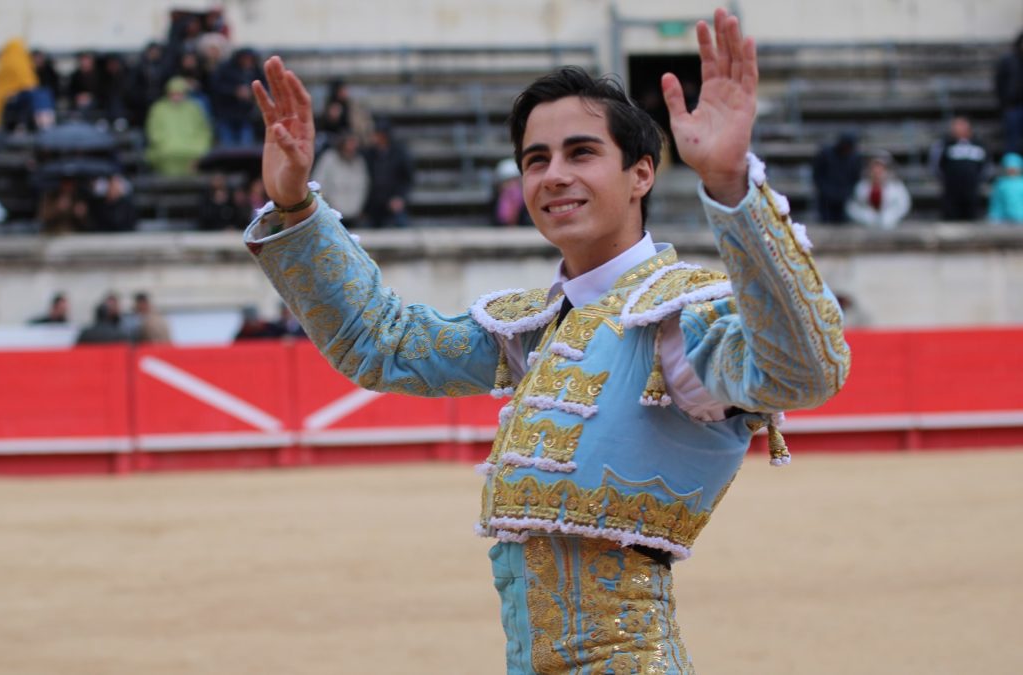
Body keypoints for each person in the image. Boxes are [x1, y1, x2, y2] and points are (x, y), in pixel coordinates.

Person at [245, 9, 849, 673]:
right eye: (536, 160)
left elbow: (806, 369)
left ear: (641, 174)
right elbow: (382, 342)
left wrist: (732, 186)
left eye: (581, 152)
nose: (553, 174)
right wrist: (298, 206)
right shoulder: (535, 326)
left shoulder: (681, 320)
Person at [144, 76, 213, 176]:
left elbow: (204, 131)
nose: (176, 97)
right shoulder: (158, 109)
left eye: (179, 93)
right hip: (166, 151)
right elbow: (153, 132)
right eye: (173, 94)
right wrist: (165, 144)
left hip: (192, 151)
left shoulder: (194, 108)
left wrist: (199, 148)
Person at [929, 116, 989, 221]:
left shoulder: (980, 145)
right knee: (951, 220)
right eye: (956, 126)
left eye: (962, 126)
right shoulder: (944, 144)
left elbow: (986, 165)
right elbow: (936, 165)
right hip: (951, 190)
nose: (959, 129)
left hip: (972, 189)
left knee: (972, 220)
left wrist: (978, 180)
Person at [310, 132, 369, 228]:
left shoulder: (359, 161)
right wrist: (329, 207)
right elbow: (318, 183)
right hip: (332, 214)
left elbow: (364, 185)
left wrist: (358, 209)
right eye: (350, 143)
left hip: (354, 215)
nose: (352, 147)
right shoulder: (329, 158)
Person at [362, 117, 413, 228]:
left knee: (401, 224)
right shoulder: (368, 154)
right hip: (372, 204)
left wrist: (400, 197)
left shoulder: (399, 153)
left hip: (393, 201)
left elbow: (407, 179)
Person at [210, 48, 264, 147]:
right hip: (226, 114)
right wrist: (234, 91)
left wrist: (251, 93)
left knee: (246, 146)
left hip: (246, 115)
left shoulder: (255, 71)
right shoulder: (225, 69)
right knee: (228, 147)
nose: (247, 62)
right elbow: (216, 87)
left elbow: (264, 86)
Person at [846, 153, 911, 229]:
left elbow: (904, 205)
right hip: (865, 228)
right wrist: (865, 216)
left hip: (892, 228)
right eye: (874, 168)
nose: (876, 172)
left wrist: (891, 215)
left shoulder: (896, 186)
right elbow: (851, 207)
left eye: (880, 168)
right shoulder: (860, 186)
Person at [812, 131, 862, 224]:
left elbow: (855, 178)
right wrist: (826, 190)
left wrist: (847, 192)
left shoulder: (855, 158)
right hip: (826, 198)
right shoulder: (825, 154)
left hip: (844, 198)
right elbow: (817, 175)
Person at [994, 31, 1023, 154]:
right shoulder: (1008, 60)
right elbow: (999, 83)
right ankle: (1012, 169)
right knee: (1012, 140)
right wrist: (1005, 104)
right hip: (1013, 106)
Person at [491, 157, 531, 226]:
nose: (511, 185)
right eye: (507, 181)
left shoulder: (529, 206)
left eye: (514, 180)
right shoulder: (494, 204)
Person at [988, 152, 1023, 224]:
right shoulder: (1000, 184)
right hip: (1004, 221)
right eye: (1009, 168)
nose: (1012, 171)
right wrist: (994, 217)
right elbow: (996, 203)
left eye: (1015, 168)